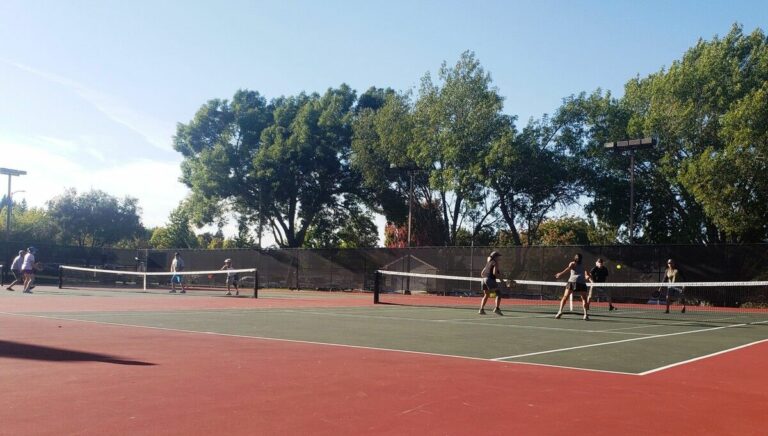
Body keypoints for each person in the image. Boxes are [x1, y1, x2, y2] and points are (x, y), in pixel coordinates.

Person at [554, 253, 593, 320]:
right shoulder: (583, 265)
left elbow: (568, 269)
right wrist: (588, 277)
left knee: (565, 297)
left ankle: (560, 311)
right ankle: (585, 314)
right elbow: (588, 274)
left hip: (573, 282)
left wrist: (560, 274)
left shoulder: (572, 263)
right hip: (581, 283)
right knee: (584, 298)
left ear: (575, 258)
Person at [478, 251, 503, 315]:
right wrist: (501, 280)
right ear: (495, 257)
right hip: (489, 279)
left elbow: (482, 273)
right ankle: (497, 309)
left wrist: (486, 279)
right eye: (498, 256)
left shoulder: (488, 263)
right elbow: (495, 273)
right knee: (499, 293)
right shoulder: (495, 263)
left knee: (486, 295)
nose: (499, 258)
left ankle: (481, 309)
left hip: (483, 279)